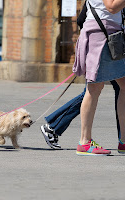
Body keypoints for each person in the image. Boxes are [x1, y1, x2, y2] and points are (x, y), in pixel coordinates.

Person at [41, 0, 125, 156]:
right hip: (102, 35)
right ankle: (84, 141)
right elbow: (111, 6)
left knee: (113, 86)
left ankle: (123, 141)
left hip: (111, 34)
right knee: (94, 88)